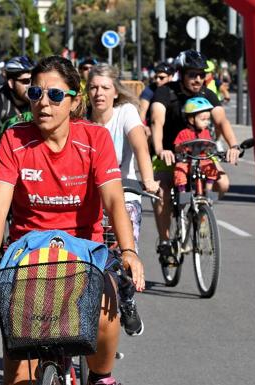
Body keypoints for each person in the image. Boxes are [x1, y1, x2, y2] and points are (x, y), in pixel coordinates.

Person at [0, 55, 145, 385]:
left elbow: (114, 199)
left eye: (55, 95)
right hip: (27, 255)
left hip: (85, 251)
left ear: (75, 99)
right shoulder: (15, 140)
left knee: (107, 309)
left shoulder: (95, 139)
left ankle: (100, 376)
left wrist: (129, 252)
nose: (44, 103)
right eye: (36, 94)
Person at [87, 63, 159, 337]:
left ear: (115, 92)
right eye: (93, 87)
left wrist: (148, 178)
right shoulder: (81, 117)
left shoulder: (126, 112)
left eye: (105, 88)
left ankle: (127, 300)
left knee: (124, 256)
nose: (99, 93)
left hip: (124, 192)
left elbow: (140, 146)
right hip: (89, 197)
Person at [149, 49, 240, 267]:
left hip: (200, 153)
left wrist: (233, 145)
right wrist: (161, 149)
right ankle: (165, 242)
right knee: (161, 190)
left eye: (201, 74)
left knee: (223, 183)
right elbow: (156, 121)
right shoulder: (165, 92)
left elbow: (221, 121)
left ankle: (200, 212)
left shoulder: (207, 94)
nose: (198, 79)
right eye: (192, 74)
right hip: (170, 153)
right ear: (181, 74)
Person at [0, 56, 34, 219]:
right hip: (1, 160)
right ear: (11, 83)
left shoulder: (37, 99)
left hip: (33, 161)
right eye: (25, 81)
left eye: (33, 80)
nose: (31, 85)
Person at [173, 97, 219, 194]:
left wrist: (211, 150)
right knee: (179, 170)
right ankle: (182, 192)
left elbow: (209, 145)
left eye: (208, 119)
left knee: (212, 167)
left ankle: (208, 190)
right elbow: (177, 147)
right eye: (203, 119)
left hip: (202, 158)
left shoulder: (206, 132)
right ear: (191, 120)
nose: (206, 122)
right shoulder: (184, 133)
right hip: (187, 159)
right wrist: (180, 148)